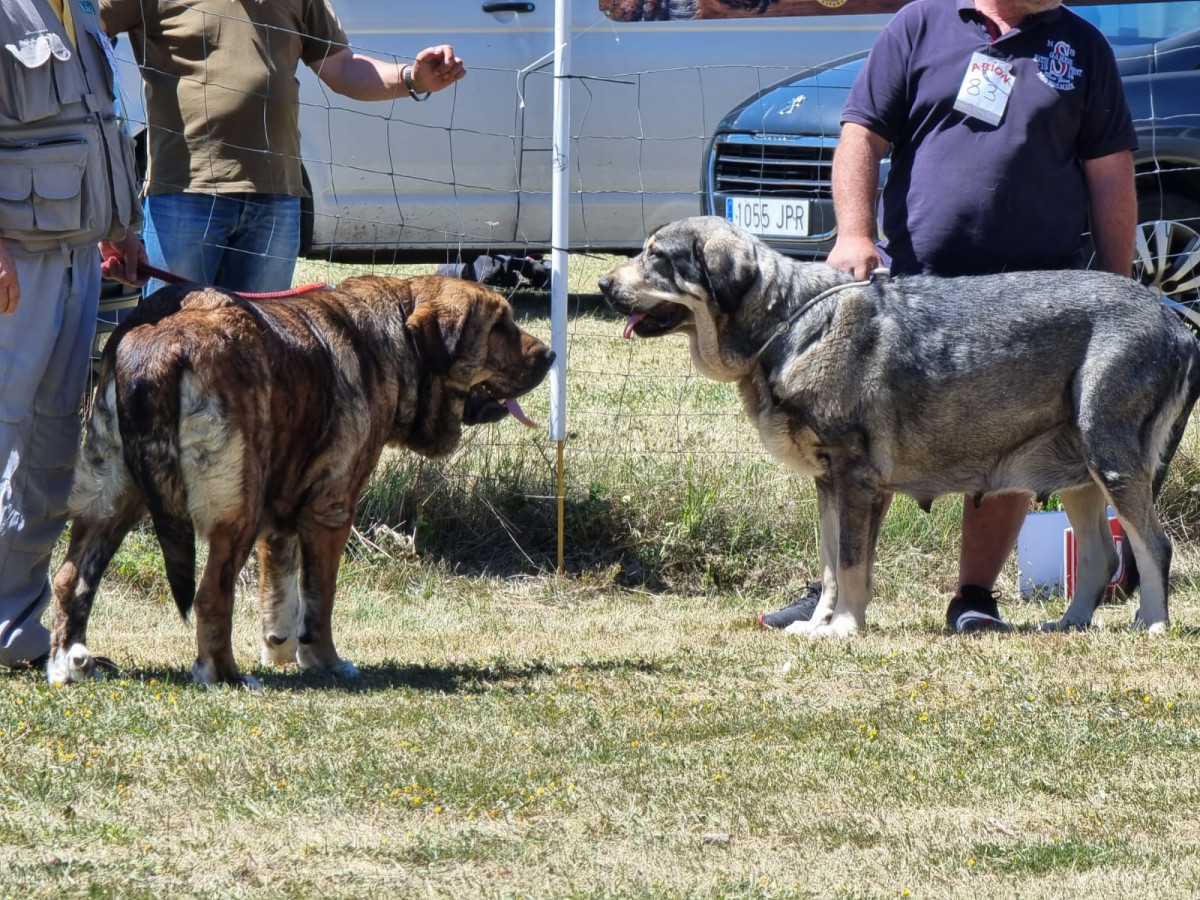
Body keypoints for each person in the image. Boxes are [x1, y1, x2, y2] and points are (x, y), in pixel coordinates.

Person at [760, 0, 1136, 633]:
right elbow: (861, 133)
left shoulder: (1084, 46)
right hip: (915, 294)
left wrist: (1117, 289)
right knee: (858, 442)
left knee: (1012, 439)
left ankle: (973, 597)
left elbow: (1110, 174)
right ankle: (835, 592)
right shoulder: (920, 24)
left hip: (1032, 307)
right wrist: (854, 233)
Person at [99, 0, 466, 295]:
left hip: (277, 201)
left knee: (261, 359)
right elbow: (83, 34)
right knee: (173, 348)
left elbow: (343, 67)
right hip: (185, 195)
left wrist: (412, 78)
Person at [0, 0, 147, 669]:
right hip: (17, 263)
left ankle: (20, 630)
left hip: (78, 257)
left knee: (52, 445)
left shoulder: (81, 11)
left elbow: (103, 128)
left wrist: (121, 226)